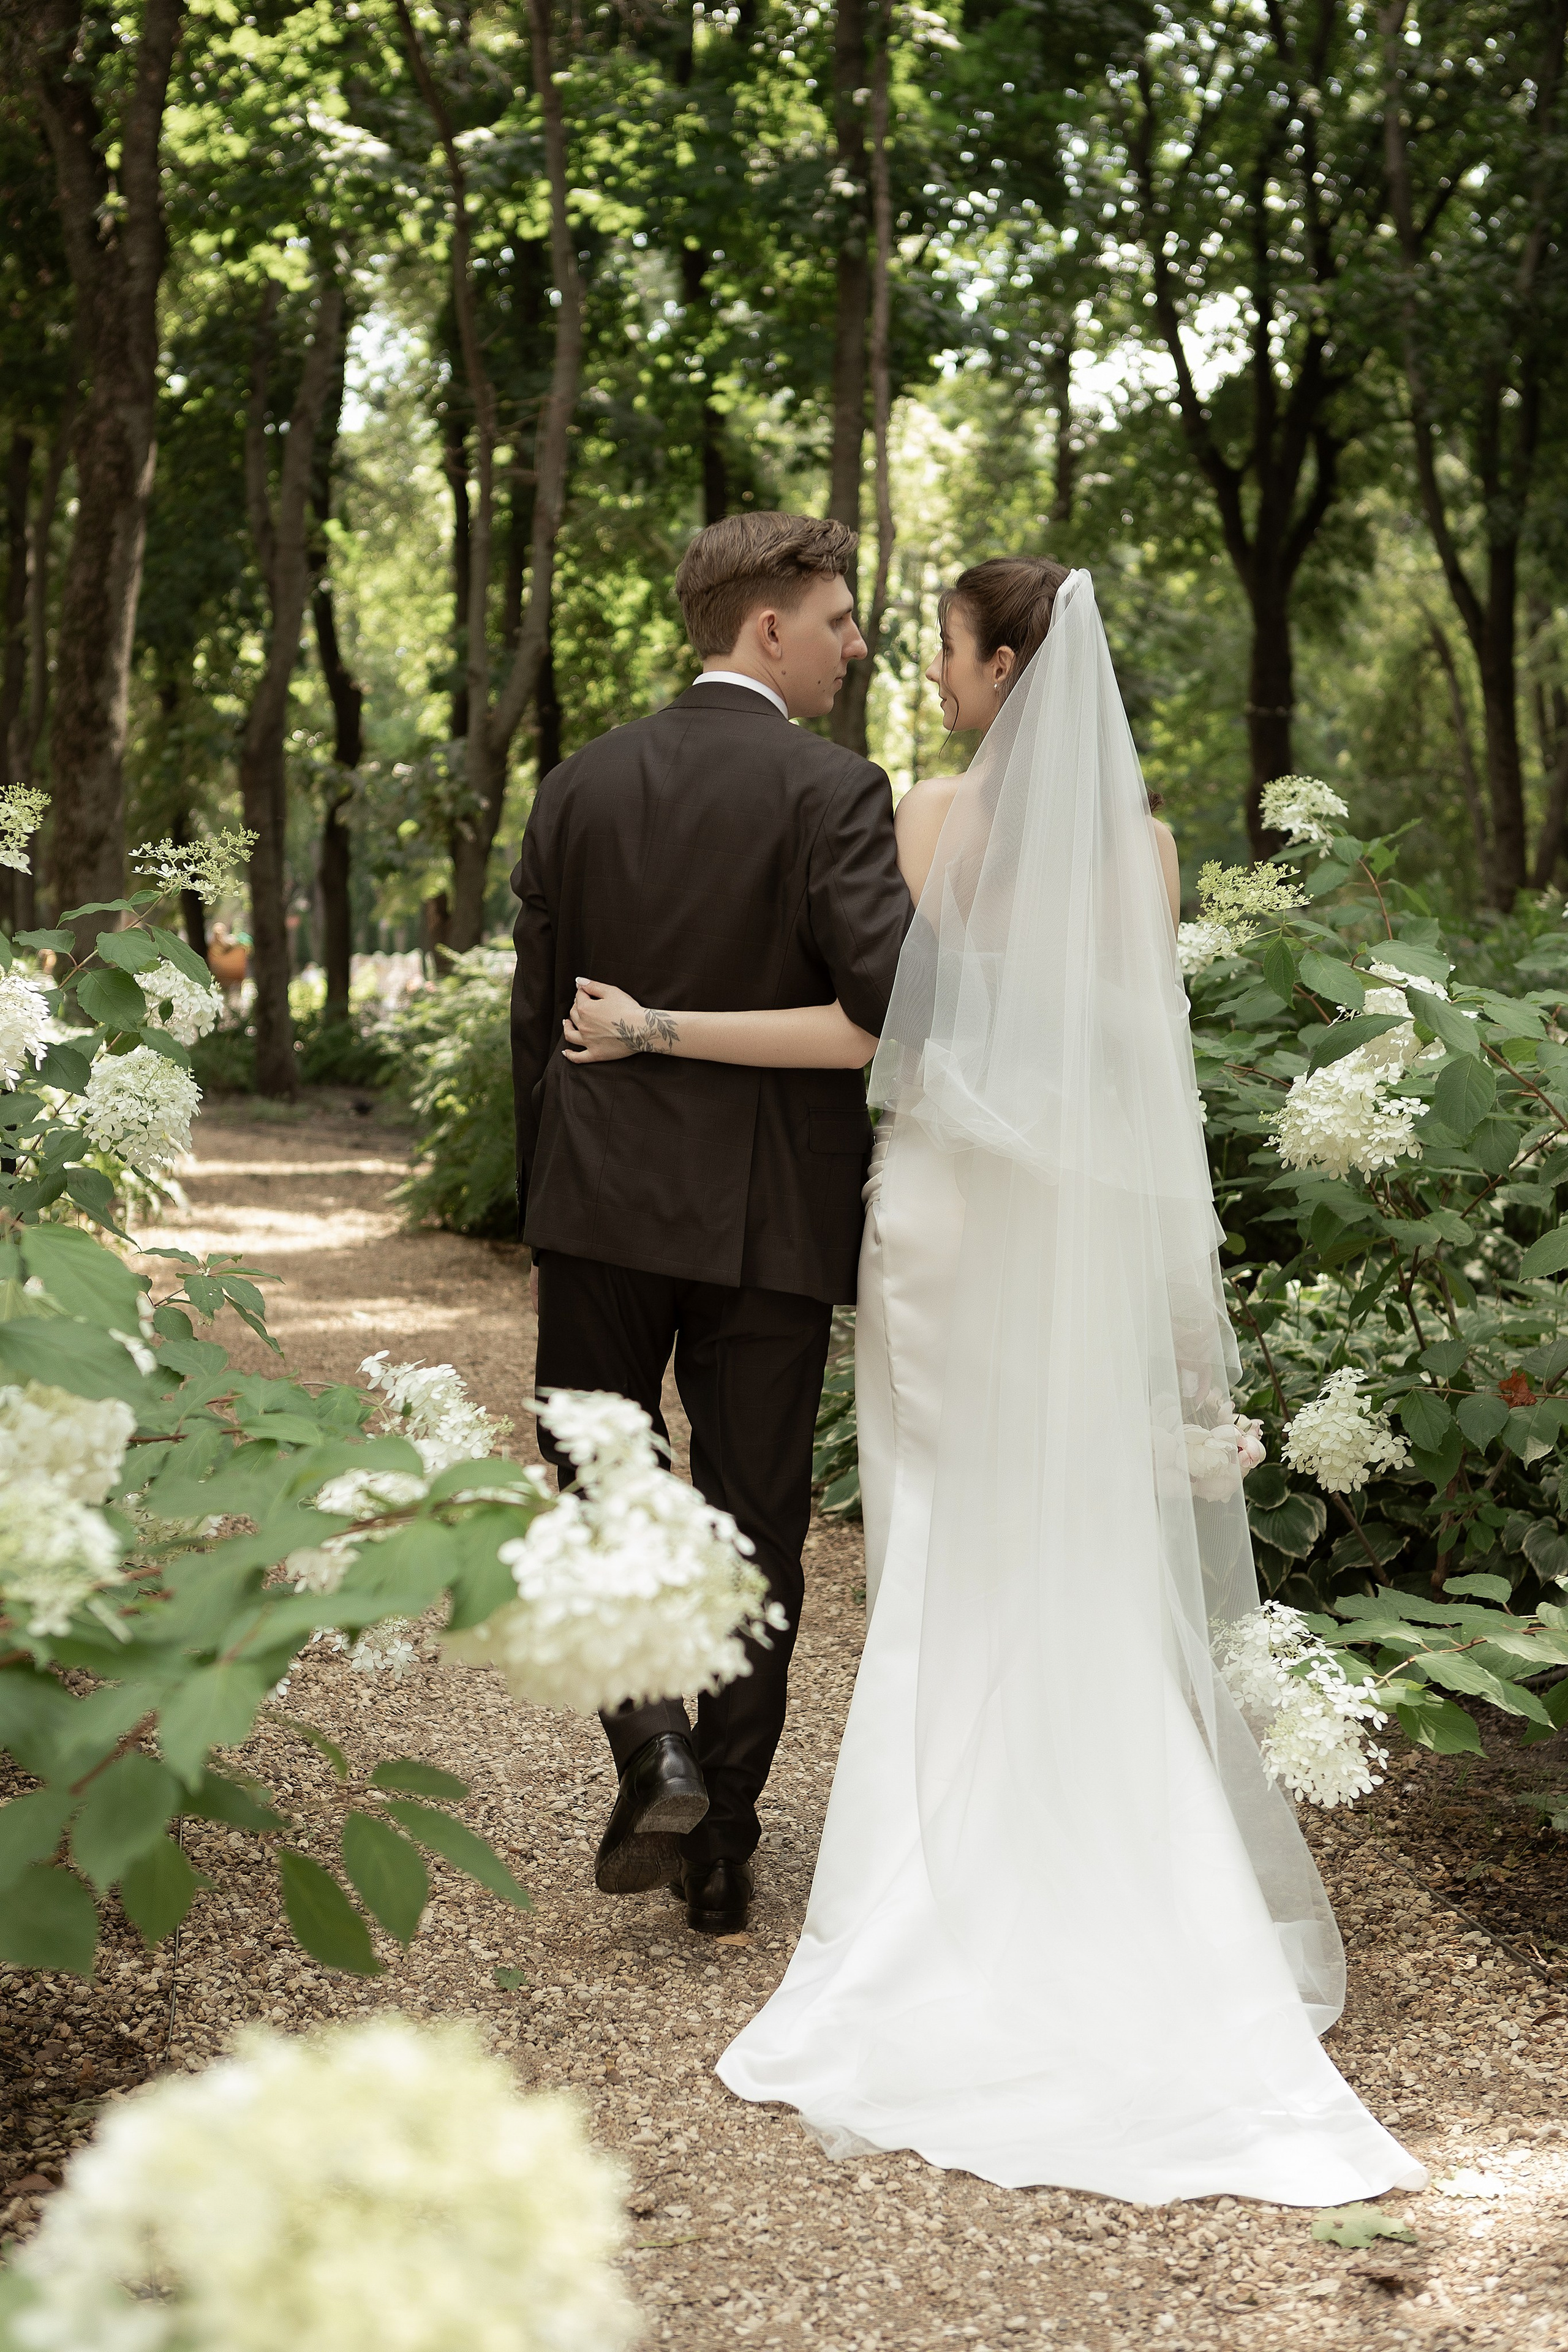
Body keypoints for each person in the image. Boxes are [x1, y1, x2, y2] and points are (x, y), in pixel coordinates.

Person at [562, 557, 1428, 2204]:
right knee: (1072, 1543)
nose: (924, 675)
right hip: (1080, 1233)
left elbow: (878, 1032)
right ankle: (1120, 1868)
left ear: (1006, 662)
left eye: (948, 654)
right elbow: (1134, 1084)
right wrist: (1176, 1314)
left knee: (948, 1546)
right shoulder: (1150, 850)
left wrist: (661, 1025)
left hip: (952, 1229)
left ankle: (942, 1880)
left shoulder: (936, 822)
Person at [510, 511, 912, 1938]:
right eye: (841, 621)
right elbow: (887, 1006)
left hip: (600, 1203)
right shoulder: (832, 790)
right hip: (766, 1225)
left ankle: (652, 1749)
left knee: (596, 1475)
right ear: (769, 630)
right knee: (754, 1521)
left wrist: (538, 1193)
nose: (854, 647)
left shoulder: (578, 785)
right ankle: (723, 1847)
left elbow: (536, 1018)